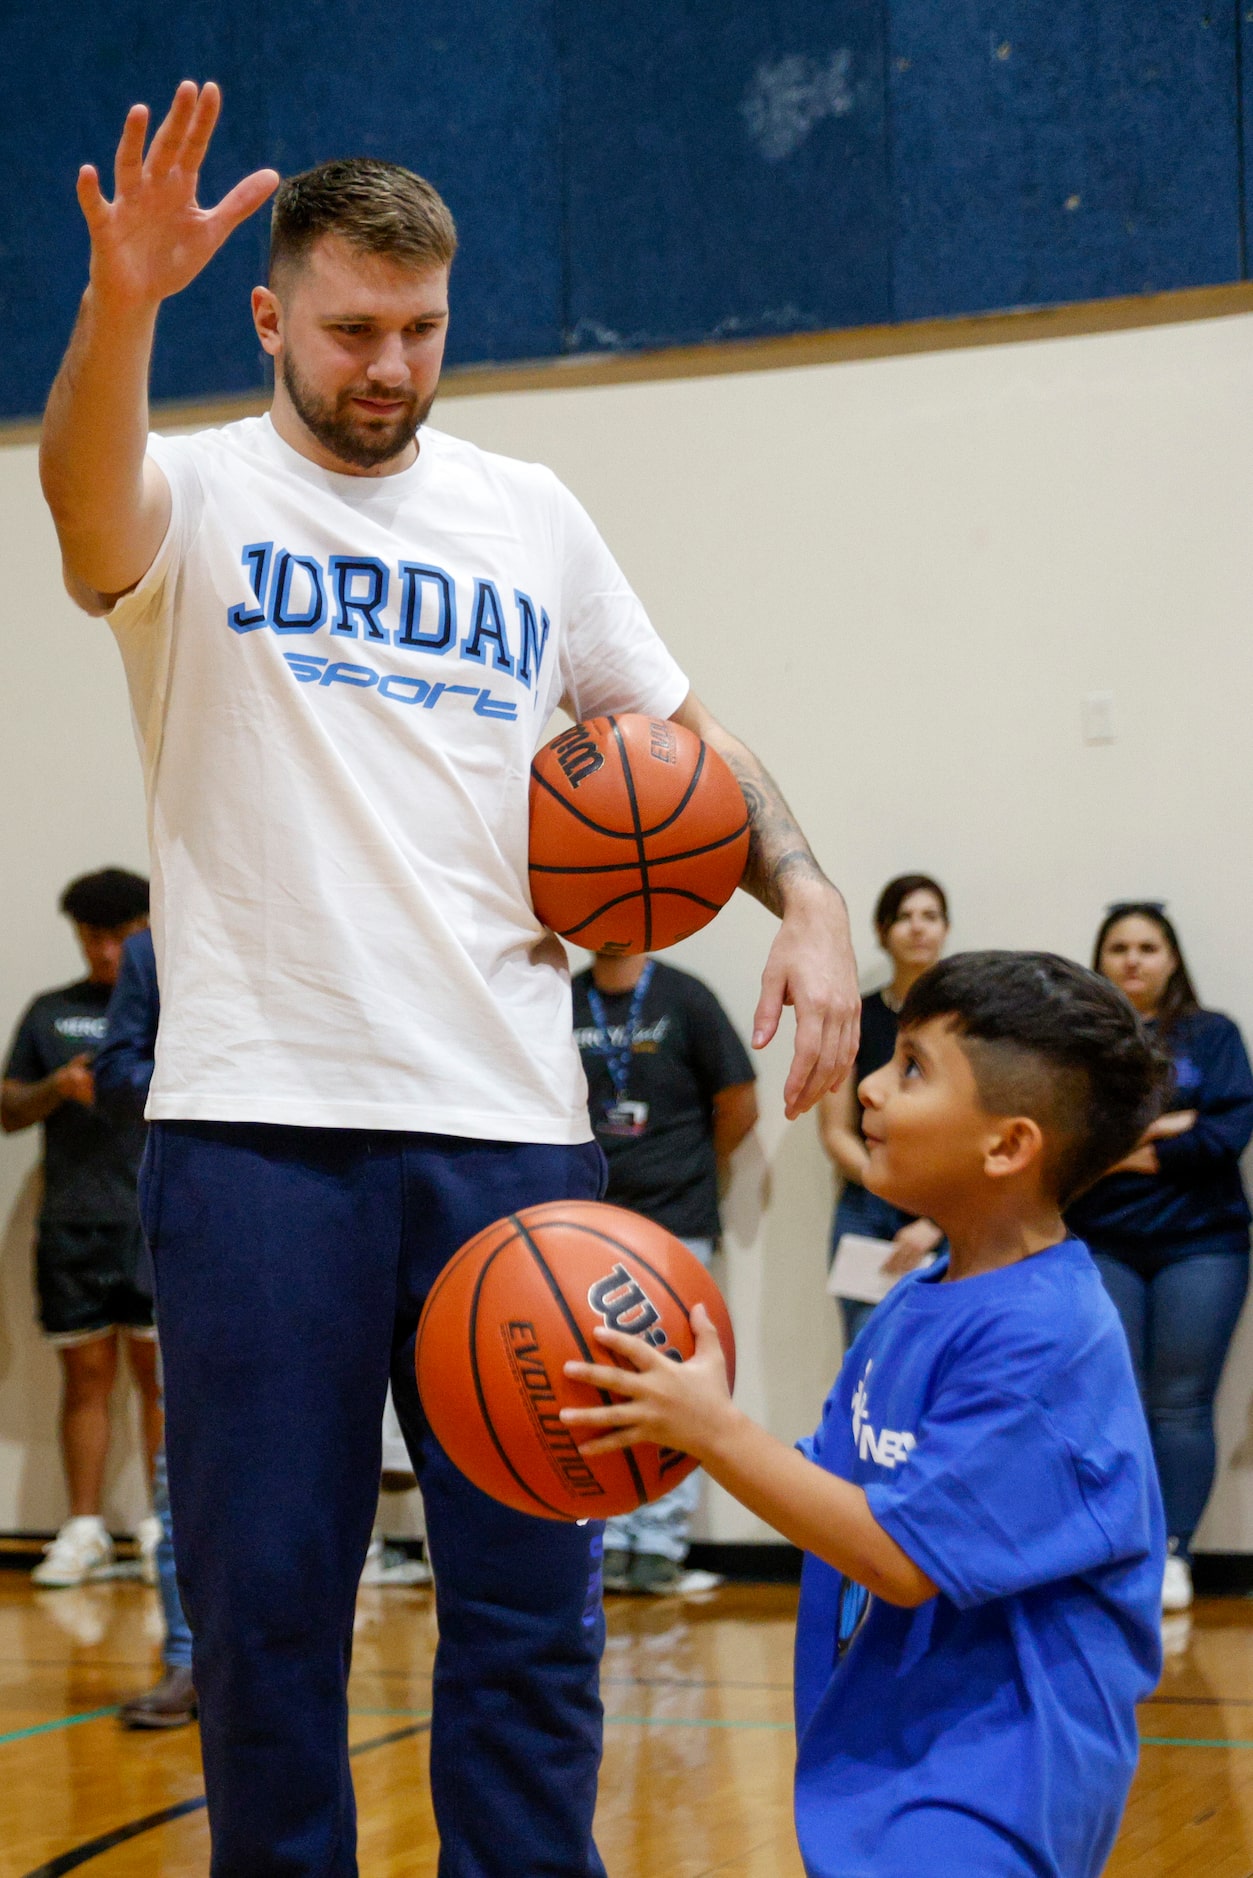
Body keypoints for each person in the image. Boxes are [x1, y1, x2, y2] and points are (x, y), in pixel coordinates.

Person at [38, 81, 859, 1876]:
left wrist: (801, 892)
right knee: (265, 1621)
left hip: (509, 1132)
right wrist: (118, 307)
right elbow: (80, 495)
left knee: (528, 1614)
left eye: (419, 328)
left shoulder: (529, 513)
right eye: (351, 330)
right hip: (258, 1130)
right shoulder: (194, 501)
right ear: (269, 316)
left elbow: (679, 744)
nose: (390, 365)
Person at [563, 952, 1167, 1878]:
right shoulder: (920, 1293)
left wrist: (715, 1431)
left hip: (990, 1787)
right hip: (884, 1764)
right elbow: (833, 1478)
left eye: (912, 1068)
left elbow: (898, 1558)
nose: (872, 1089)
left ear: (1007, 1146)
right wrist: (669, 1421)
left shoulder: (1049, 1335)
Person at [1068, 903, 1253, 1615]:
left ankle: (1173, 1552)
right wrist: (1168, 1124)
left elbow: (1229, 1129)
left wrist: (1132, 1148)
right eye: (1118, 947)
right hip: (1100, 1240)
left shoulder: (1212, 1035)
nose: (1133, 960)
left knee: (1179, 1405)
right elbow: (1069, 1134)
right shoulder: (1078, 1041)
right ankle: (1116, 1547)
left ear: (1171, 958)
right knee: (1111, 1400)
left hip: (1201, 1245)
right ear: (1099, 958)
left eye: (1147, 946)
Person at [572, 948, 757, 1592]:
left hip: (676, 1218)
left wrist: (690, 1165)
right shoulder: (563, 997)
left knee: (679, 1375)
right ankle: (608, 1535)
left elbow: (739, 1103)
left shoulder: (686, 996)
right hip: (584, 1221)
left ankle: (660, 1542)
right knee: (597, 1377)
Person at [1, 868, 161, 1588]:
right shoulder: (49, 1011)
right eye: (91, 937)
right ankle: (85, 1526)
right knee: (85, 1378)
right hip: (72, 1223)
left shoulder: (172, 1004)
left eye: (118, 936)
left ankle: (164, 1523)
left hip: (155, 1219)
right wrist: (55, 1088)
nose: (104, 953)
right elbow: (8, 1107)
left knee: (163, 1381)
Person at [92, 923, 197, 1728]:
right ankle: (189, 1662)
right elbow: (117, 1069)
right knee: (188, 1458)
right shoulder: (155, 946)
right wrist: (207, 1080)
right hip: (203, 1214)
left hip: (346, 1206)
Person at [819, 874, 948, 1343]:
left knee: (944, 1354)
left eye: (930, 917)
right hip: (869, 1201)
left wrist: (934, 1218)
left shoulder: (970, 1022)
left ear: (945, 930)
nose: (918, 928)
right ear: (881, 932)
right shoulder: (854, 1016)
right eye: (904, 917)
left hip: (950, 1206)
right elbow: (836, 1132)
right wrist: (890, 1183)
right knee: (867, 1349)